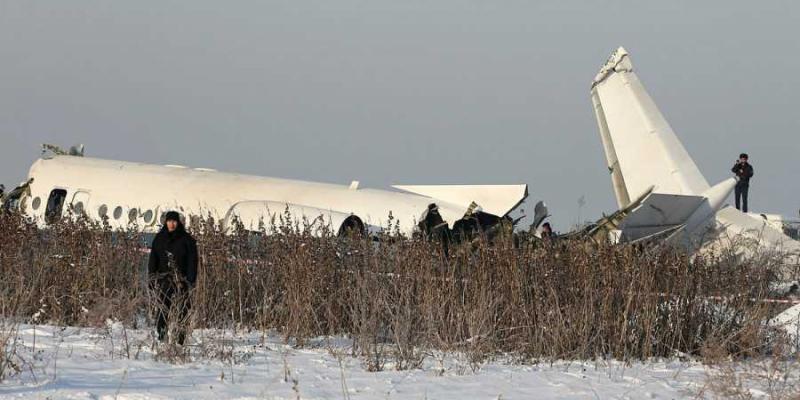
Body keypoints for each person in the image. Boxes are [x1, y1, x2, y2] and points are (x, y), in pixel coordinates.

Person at [148, 211, 198, 345]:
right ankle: (162, 336)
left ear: (178, 222)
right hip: (164, 279)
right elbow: (153, 260)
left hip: (182, 280)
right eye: (169, 221)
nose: (171, 224)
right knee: (163, 309)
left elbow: (192, 262)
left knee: (184, 309)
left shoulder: (187, 240)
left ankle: (180, 339)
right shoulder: (159, 238)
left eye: (174, 221)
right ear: (165, 222)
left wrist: (190, 281)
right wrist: (152, 278)